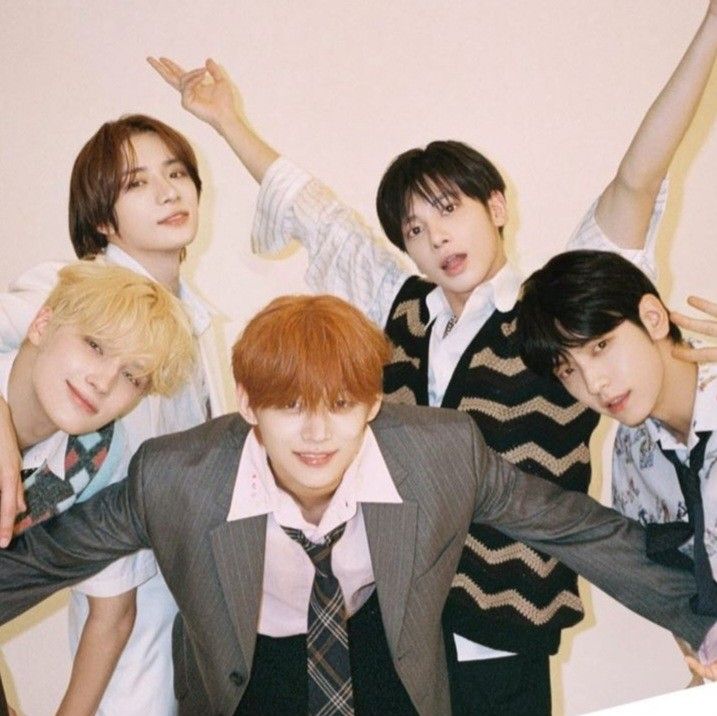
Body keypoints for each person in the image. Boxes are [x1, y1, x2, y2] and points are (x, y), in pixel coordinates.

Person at [147, 3, 717, 711]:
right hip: (394, 626)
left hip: (503, 627)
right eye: (414, 228)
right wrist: (228, 120)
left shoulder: (550, 320)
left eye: (449, 209)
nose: (435, 238)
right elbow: (318, 215)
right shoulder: (402, 308)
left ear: (496, 206)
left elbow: (636, 178)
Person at [1, 293, 717, 716]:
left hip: (387, 650)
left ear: (373, 401)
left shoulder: (439, 453)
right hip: (247, 668)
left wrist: (706, 623)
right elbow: (47, 557)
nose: (316, 432)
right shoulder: (176, 476)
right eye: (288, 406)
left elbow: (576, 530)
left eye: (341, 405)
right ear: (247, 402)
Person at [0, 114, 230, 714]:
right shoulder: (71, 288)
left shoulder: (197, 327)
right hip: (127, 587)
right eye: (136, 182)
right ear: (102, 218)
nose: (168, 191)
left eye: (177, 173)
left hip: (159, 592)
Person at [0, 260, 195, 715]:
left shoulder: (105, 459)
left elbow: (112, 616)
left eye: (132, 376)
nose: (103, 381)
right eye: (94, 345)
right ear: (42, 323)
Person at [516, 249, 717, 680]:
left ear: (654, 318)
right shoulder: (633, 454)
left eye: (601, 346)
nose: (594, 384)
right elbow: (678, 592)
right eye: (568, 370)